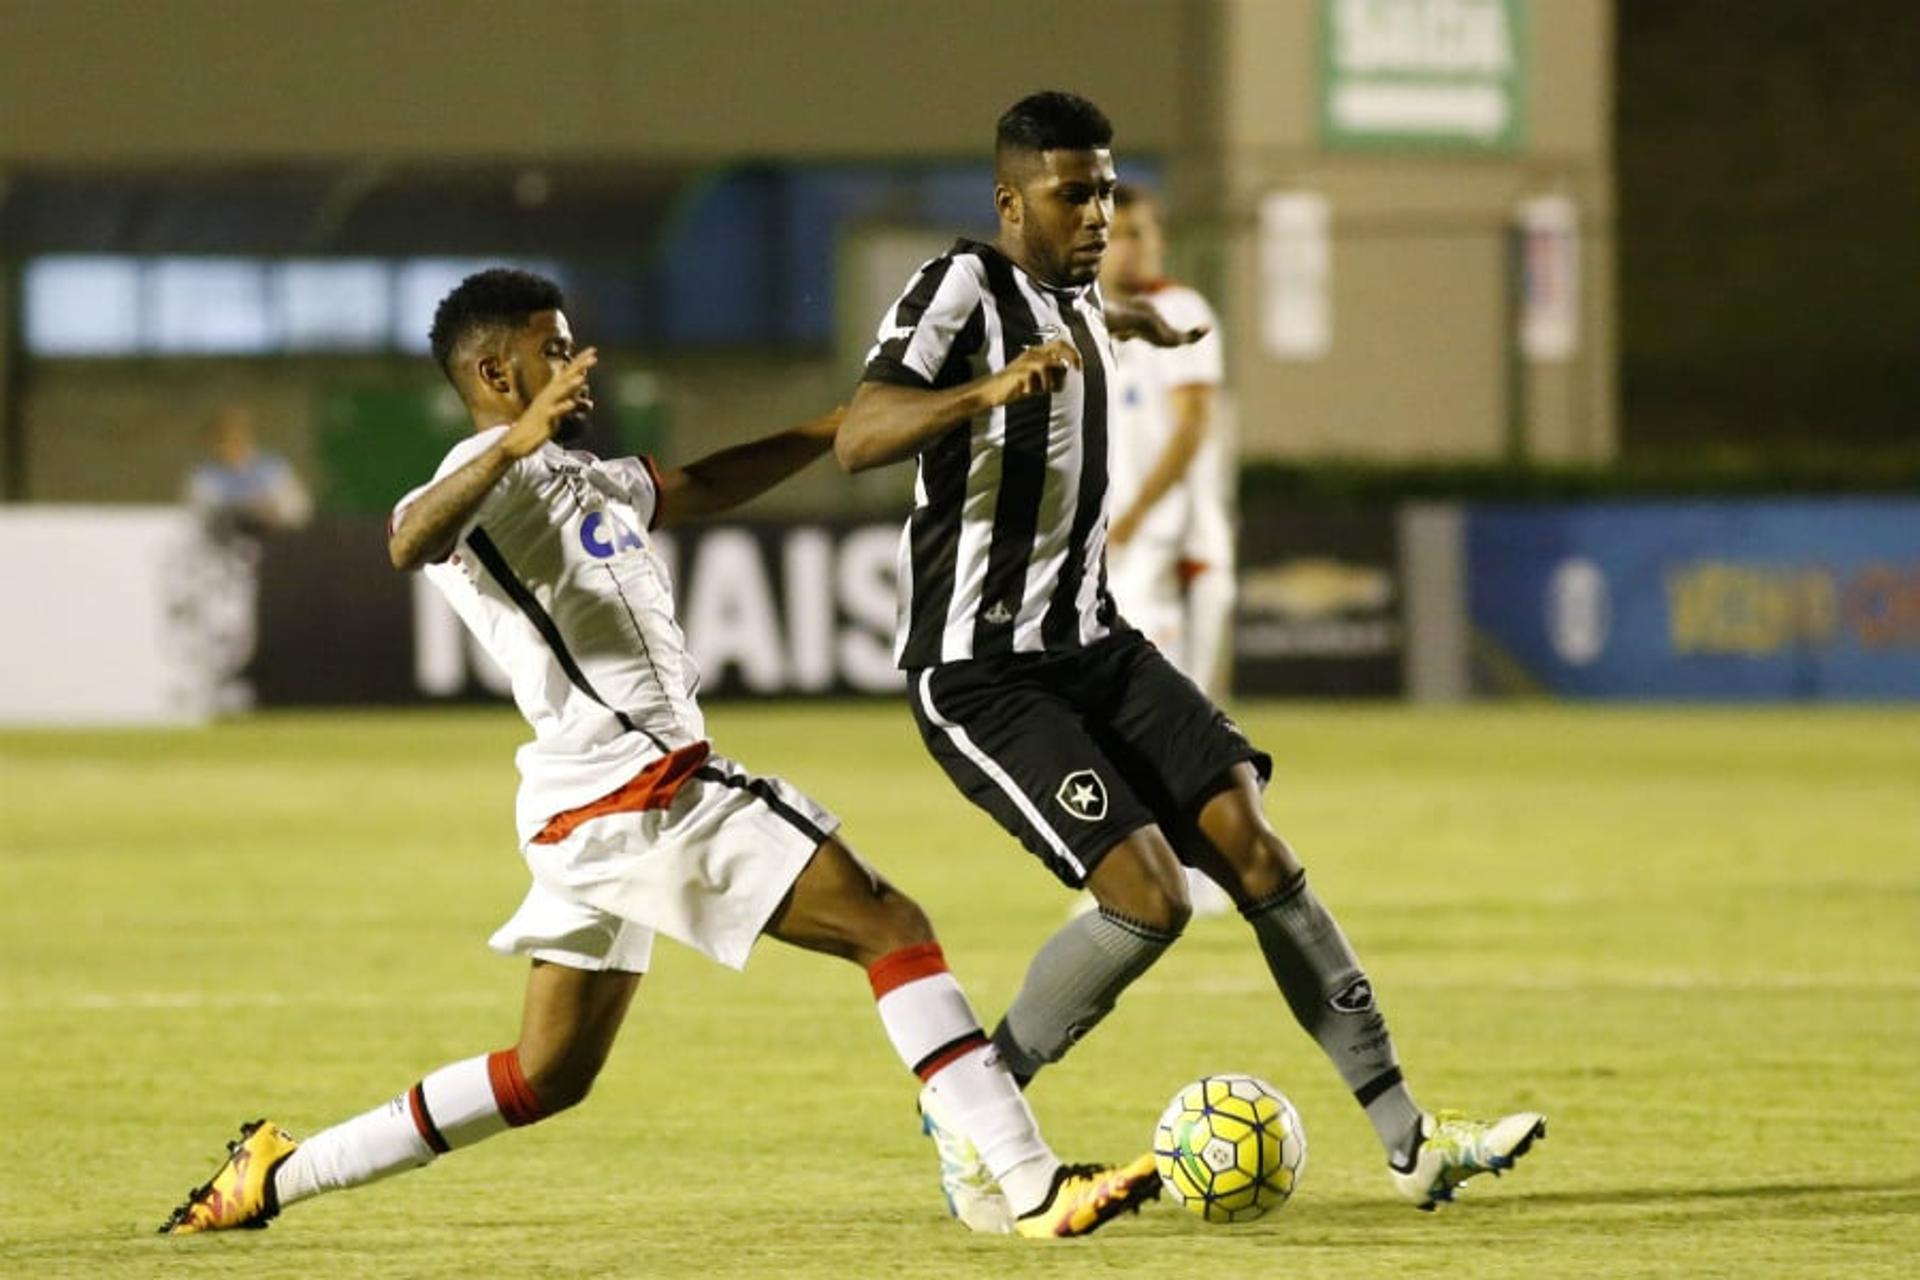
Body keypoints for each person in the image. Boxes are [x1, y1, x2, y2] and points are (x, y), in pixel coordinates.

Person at [160, 268, 1159, 1241]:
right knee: (888, 922)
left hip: (591, 803)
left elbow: (698, 482)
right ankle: (1029, 1183)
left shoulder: (579, 475)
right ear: (496, 372)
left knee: (545, 1075)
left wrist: (837, 425)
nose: (576, 368)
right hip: (643, 789)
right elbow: (410, 540)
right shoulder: (480, 486)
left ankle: (277, 1172)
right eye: (553, 351)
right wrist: (515, 440)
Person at [836, 91, 1545, 1233]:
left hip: (1097, 641)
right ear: (1011, 198)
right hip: (984, 670)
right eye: (1076, 192)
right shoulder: (958, 287)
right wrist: (986, 390)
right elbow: (857, 434)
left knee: (1254, 848)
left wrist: (1133, 329)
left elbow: (1077, 327)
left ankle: (1413, 1141)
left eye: (1108, 188)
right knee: (1150, 898)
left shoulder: (1077, 293)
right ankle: (982, 1102)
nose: (1101, 210)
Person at [1099, 181, 1237, 917]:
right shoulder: (1085, 314)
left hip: (1172, 546)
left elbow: (1191, 429)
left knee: (1173, 713)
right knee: (1148, 716)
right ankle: (1170, 868)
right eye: (1126, 232)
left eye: (1148, 232)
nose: (1140, 245)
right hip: (1121, 549)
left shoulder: (1178, 310)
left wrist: (1134, 517)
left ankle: (1185, 869)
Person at [183, 404, 313, 537]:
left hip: (273, 541)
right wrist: (246, 511)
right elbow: (203, 514)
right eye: (224, 438)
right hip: (225, 546)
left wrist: (272, 511)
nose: (232, 443)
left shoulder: (272, 467)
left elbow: (297, 509)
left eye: (238, 436)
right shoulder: (203, 476)